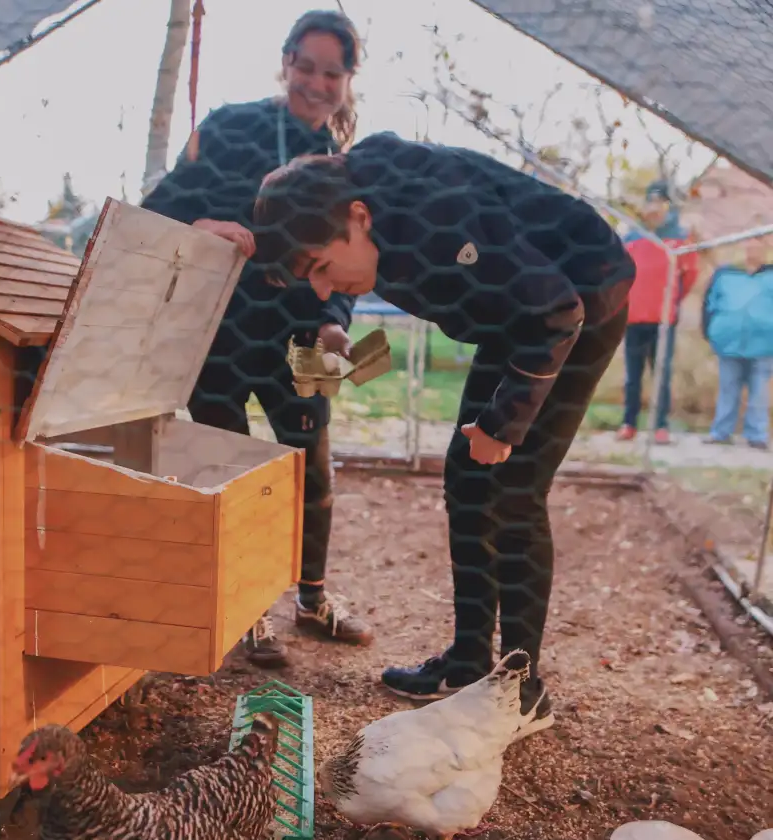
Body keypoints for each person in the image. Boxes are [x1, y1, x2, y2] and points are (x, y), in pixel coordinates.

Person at [252, 132, 636, 733]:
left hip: (580, 299)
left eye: (324, 268)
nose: (324, 290)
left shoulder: (437, 216)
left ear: (359, 217)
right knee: (466, 473)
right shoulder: (359, 208)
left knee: (514, 488)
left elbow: (558, 311)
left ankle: (521, 686)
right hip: (521, 310)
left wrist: (503, 425)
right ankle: (466, 659)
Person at [141, 10, 373, 666]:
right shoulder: (228, 126)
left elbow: (352, 255)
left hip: (304, 333)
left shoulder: (345, 161)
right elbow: (157, 205)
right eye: (305, 67)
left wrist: (338, 321)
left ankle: (313, 600)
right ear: (285, 62)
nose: (316, 83)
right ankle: (246, 614)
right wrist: (204, 222)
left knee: (315, 471)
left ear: (349, 79)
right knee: (230, 472)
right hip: (220, 327)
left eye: (332, 72)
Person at [617, 180, 699, 445]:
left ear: (668, 206)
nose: (654, 208)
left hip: (663, 320)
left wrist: (672, 301)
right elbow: (620, 274)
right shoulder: (631, 236)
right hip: (633, 318)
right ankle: (628, 423)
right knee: (632, 376)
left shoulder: (679, 237)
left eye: (660, 203)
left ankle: (660, 426)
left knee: (661, 374)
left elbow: (690, 275)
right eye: (650, 202)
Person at [704, 237, 773, 450]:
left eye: (757, 246)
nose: (752, 249)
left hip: (764, 345)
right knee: (728, 389)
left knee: (759, 393)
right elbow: (709, 305)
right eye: (749, 245)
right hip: (729, 342)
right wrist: (711, 332)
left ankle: (757, 435)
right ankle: (721, 432)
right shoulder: (725, 274)